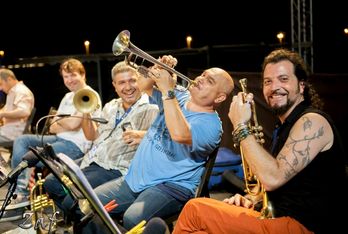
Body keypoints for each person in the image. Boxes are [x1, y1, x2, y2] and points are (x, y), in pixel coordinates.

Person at [172, 48, 347, 234]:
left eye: (284, 79)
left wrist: (240, 125)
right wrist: (252, 199)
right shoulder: (284, 126)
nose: (274, 87)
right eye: (268, 82)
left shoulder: (312, 121)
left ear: (301, 86)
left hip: (301, 226)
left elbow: (273, 178)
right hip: (278, 219)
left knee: (195, 210)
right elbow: (283, 185)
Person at [77, 55, 234, 233]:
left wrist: (168, 90)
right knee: (88, 206)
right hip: (135, 179)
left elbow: (179, 134)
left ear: (220, 97)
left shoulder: (212, 125)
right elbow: (144, 85)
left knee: (132, 219)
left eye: (209, 80)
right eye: (203, 75)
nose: (200, 79)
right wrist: (158, 68)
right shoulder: (180, 96)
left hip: (171, 186)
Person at [43, 60, 158, 219]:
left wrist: (142, 134)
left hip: (116, 167)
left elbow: (163, 138)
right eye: (122, 82)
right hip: (93, 160)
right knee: (50, 183)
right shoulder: (111, 105)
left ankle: (83, 220)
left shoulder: (153, 106)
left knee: (72, 201)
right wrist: (85, 111)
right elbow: (93, 136)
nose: (128, 87)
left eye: (132, 80)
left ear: (140, 80)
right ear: (114, 86)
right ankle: (81, 220)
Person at [6, 58, 102, 210]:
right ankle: (22, 192)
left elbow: (73, 124)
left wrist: (62, 121)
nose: (69, 80)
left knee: (32, 154)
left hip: (75, 146)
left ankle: (21, 194)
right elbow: (52, 126)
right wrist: (64, 122)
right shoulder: (67, 96)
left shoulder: (89, 94)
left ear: (83, 75)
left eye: (73, 75)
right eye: (66, 76)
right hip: (58, 138)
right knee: (22, 141)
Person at [0, 68, 34, 145]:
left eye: (1, 84)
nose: (0, 88)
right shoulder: (13, 91)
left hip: (14, 133)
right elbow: (6, 109)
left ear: (9, 79)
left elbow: (24, 111)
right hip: (9, 130)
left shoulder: (21, 91)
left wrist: (2, 114)